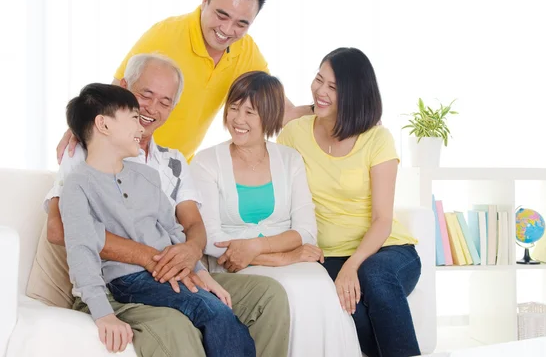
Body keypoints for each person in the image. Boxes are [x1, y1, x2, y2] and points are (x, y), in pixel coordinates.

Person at [45, 53, 290, 357]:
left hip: (168, 272)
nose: (149, 110)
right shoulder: (79, 162)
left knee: (264, 297)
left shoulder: (159, 169)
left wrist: (195, 266)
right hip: (123, 281)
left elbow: (183, 227)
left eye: (165, 101)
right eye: (143, 96)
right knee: (206, 311)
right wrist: (150, 258)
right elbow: (64, 233)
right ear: (123, 91)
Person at [56, 0, 311, 164]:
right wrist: (82, 126)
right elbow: (116, 93)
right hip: (128, 159)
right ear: (205, 0)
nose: (227, 29)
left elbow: (281, 112)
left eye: (241, 23)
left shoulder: (246, 51)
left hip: (174, 171)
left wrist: (331, 104)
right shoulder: (166, 35)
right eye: (222, 15)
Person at [190, 71, 362, 357]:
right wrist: (286, 257)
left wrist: (259, 247)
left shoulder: (289, 159)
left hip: (277, 259)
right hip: (236, 269)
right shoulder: (207, 162)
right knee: (289, 291)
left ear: (268, 117)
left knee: (319, 285)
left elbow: (306, 232)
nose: (238, 119)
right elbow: (212, 240)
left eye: (250, 112)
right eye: (233, 108)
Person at [278, 48, 422, 357]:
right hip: (327, 256)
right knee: (353, 315)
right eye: (319, 80)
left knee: (374, 276)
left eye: (333, 87)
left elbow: (383, 219)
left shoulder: (377, 139)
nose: (321, 91)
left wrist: (353, 265)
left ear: (354, 95)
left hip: (387, 250)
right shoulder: (294, 134)